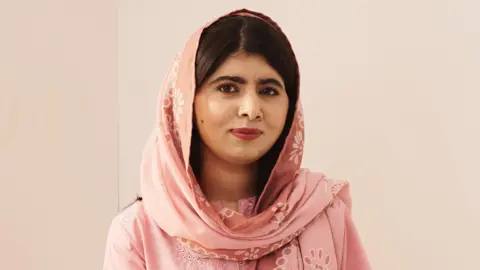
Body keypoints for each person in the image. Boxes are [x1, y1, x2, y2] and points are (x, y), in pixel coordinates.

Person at [103, 8, 371, 270]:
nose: (251, 109)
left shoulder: (321, 214)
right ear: (186, 101)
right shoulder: (139, 234)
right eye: (228, 88)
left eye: (268, 90)